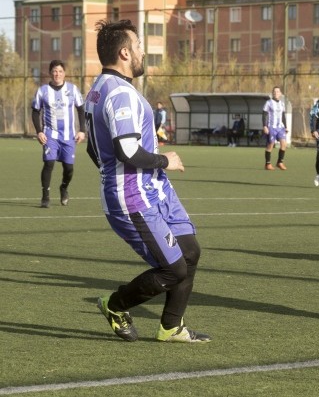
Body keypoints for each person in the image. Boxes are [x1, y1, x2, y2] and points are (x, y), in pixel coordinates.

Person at [85, 19, 210, 343]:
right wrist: (163, 160)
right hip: (133, 196)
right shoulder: (119, 93)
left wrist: (148, 165)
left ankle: (171, 327)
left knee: (190, 252)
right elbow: (126, 149)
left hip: (153, 188)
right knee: (173, 269)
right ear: (125, 52)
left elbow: (94, 149)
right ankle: (114, 306)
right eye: (139, 47)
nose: (142, 52)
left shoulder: (99, 90)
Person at [31, 59, 86, 208]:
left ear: (64, 73)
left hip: (69, 136)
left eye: (60, 71)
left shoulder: (72, 89)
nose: (57, 74)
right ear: (50, 73)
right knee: (49, 163)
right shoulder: (42, 91)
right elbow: (35, 112)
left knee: (69, 169)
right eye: (54, 71)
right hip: (50, 135)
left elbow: (81, 110)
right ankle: (45, 197)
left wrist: (82, 130)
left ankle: (64, 188)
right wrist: (39, 132)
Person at [263, 86, 288, 170]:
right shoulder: (268, 102)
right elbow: (264, 114)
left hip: (280, 127)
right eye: (274, 91)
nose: (276, 93)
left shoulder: (282, 104)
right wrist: (265, 126)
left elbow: (283, 116)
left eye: (277, 91)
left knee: (284, 144)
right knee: (271, 145)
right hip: (271, 127)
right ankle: (267, 164)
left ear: (280, 93)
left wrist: (286, 127)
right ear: (272, 93)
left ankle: (280, 162)